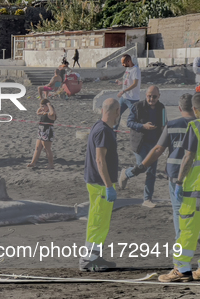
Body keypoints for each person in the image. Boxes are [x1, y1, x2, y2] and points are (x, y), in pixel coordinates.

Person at [119, 94, 194, 240]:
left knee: (178, 209)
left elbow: (158, 150)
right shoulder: (196, 125)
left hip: (174, 173)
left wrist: (141, 166)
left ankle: (181, 240)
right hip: (194, 173)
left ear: (179, 108)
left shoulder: (171, 125)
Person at [159, 93, 200, 282]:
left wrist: (179, 181)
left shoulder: (195, 127)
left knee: (187, 229)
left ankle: (181, 269)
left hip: (194, 189)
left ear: (195, 110)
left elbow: (188, 157)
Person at [80, 98, 121, 272]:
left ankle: (94, 255)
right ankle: (89, 259)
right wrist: (108, 186)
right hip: (100, 184)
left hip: (97, 182)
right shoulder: (103, 131)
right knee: (98, 222)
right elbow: (99, 159)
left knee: (99, 221)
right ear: (117, 112)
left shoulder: (99, 126)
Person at [125, 85, 166, 208]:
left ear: (159, 96)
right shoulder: (137, 107)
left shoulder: (161, 107)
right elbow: (129, 122)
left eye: (154, 96)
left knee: (151, 172)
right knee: (141, 167)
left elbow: (165, 124)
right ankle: (126, 174)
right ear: (145, 95)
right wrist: (143, 126)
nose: (151, 99)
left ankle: (147, 199)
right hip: (140, 143)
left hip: (155, 144)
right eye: (149, 96)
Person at [113, 54, 141, 130]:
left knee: (136, 117)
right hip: (124, 98)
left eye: (123, 63)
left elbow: (135, 84)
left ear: (129, 61)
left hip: (132, 99)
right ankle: (113, 132)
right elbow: (128, 81)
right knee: (117, 114)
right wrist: (121, 83)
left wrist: (123, 91)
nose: (122, 64)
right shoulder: (127, 69)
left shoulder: (136, 70)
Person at [27, 98, 56, 169]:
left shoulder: (50, 114)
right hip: (41, 131)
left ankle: (51, 164)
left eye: (43, 106)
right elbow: (37, 112)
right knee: (37, 148)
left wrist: (49, 105)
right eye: (41, 106)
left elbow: (52, 113)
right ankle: (33, 163)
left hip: (47, 132)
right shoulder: (44, 113)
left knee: (47, 148)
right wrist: (42, 107)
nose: (42, 108)